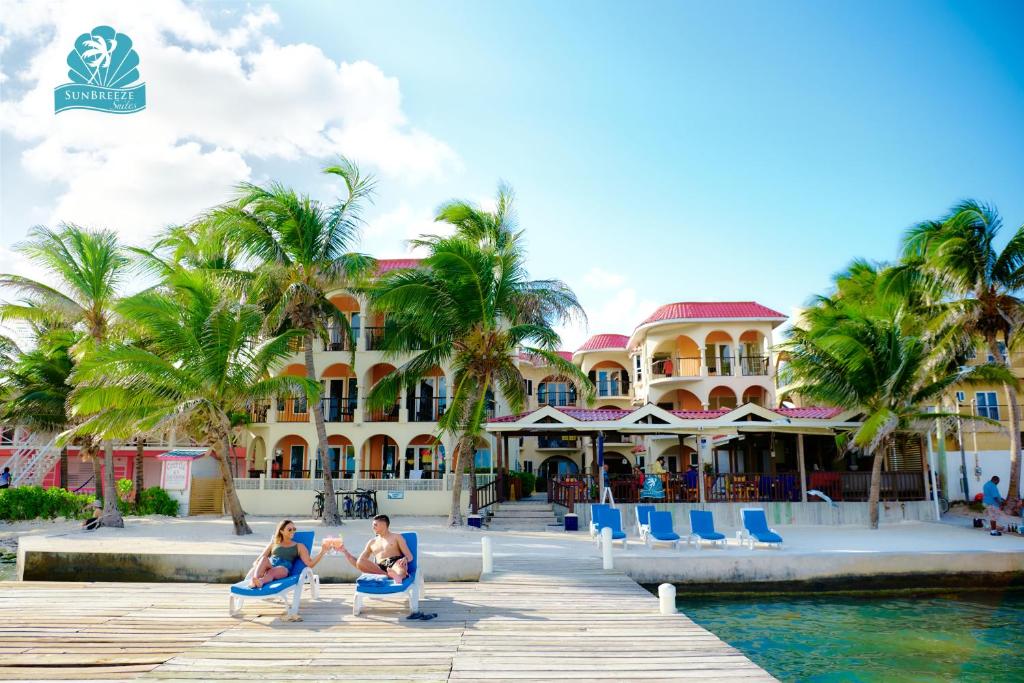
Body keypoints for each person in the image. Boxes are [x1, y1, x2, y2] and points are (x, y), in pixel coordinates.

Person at [249, 519, 326, 588]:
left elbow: (310, 564)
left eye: (294, 529)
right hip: (270, 566)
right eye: (289, 529)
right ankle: (255, 580)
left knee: (274, 571)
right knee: (264, 559)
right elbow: (257, 561)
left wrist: (322, 552)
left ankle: (261, 581)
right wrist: (259, 568)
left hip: (283, 569)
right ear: (281, 531)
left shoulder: (299, 546)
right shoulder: (273, 543)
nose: (293, 531)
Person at [339, 514, 413, 584]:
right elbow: (359, 563)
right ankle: (390, 576)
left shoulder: (397, 537)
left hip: (395, 562)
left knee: (400, 566)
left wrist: (405, 559)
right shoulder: (372, 542)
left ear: (384, 525)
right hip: (379, 568)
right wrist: (345, 552)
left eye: (375, 525)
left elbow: (409, 556)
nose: (373, 527)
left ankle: (398, 576)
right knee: (360, 561)